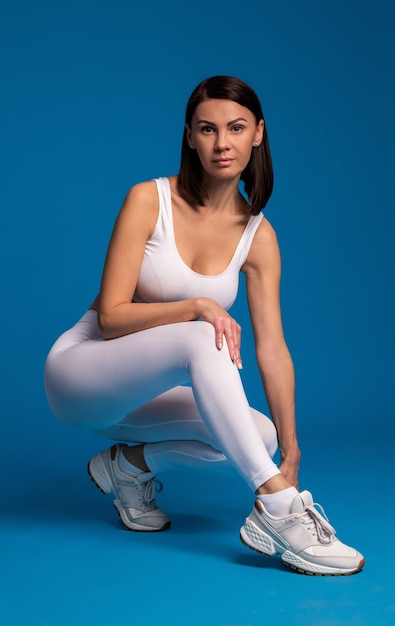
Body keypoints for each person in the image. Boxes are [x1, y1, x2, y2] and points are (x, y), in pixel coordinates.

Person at [44, 75, 364, 576]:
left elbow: (273, 350)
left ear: (258, 133)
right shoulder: (148, 200)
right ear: (190, 136)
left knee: (258, 438)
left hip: (141, 403)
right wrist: (197, 306)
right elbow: (110, 319)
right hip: (80, 376)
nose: (222, 143)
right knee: (204, 332)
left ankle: (126, 468)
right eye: (207, 129)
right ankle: (279, 510)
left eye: (235, 128)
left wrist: (293, 447)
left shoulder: (258, 237)